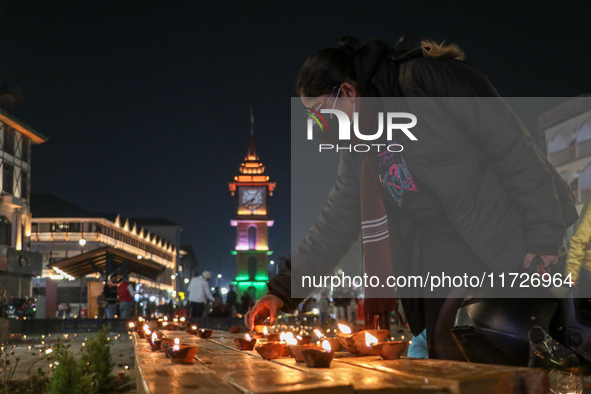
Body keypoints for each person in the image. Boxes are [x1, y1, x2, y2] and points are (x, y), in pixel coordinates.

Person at [246, 35, 578, 361]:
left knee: (503, 358)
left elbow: (514, 149)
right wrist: (281, 292)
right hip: (433, 268)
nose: (316, 123)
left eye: (317, 112)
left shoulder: (425, 81)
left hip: (495, 246)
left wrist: (544, 235)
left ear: (346, 92)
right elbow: (336, 221)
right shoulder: (357, 143)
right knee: (449, 367)